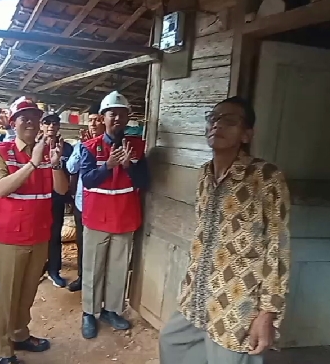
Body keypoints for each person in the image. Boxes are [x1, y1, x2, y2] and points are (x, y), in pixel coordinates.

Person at [158, 96, 291, 364]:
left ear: (246, 134)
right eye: (213, 118)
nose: (217, 125)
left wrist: (267, 314)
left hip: (237, 304)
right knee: (172, 344)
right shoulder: (204, 175)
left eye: (229, 121)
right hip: (196, 295)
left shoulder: (265, 177)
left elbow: (278, 248)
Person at [0, 96, 69, 364]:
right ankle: (3, 348)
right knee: (8, 293)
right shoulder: (1, 151)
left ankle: (20, 334)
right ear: (13, 123)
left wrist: (55, 163)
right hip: (10, 237)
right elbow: (0, 189)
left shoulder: (48, 153)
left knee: (28, 291)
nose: (31, 122)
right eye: (24, 117)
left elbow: (61, 190)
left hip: (39, 233)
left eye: (35, 117)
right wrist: (32, 163)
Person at [78, 90, 150, 339]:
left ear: (128, 117)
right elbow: (87, 180)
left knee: (118, 268)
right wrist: (108, 166)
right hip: (97, 219)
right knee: (93, 268)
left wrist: (130, 166)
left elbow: (146, 182)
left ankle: (112, 310)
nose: (117, 118)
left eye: (122, 114)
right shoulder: (90, 147)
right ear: (102, 118)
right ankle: (89, 312)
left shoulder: (138, 147)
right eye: (112, 113)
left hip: (125, 217)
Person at [65, 103, 104, 292]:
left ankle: (99, 281)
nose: (94, 124)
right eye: (91, 120)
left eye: (97, 120)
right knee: (82, 242)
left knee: (100, 245)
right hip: (83, 202)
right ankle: (82, 277)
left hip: (103, 203)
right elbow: (71, 168)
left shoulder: (108, 144)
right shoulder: (80, 145)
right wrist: (83, 147)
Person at [39, 112, 73, 288]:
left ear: (59, 127)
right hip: (36, 200)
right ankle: (36, 268)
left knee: (54, 235)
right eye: (47, 123)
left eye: (54, 123)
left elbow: (72, 173)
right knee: (36, 235)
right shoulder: (35, 147)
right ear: (41, 126)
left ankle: (54, 270)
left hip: (57, 198)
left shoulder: (67, 148)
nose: (51, 126)